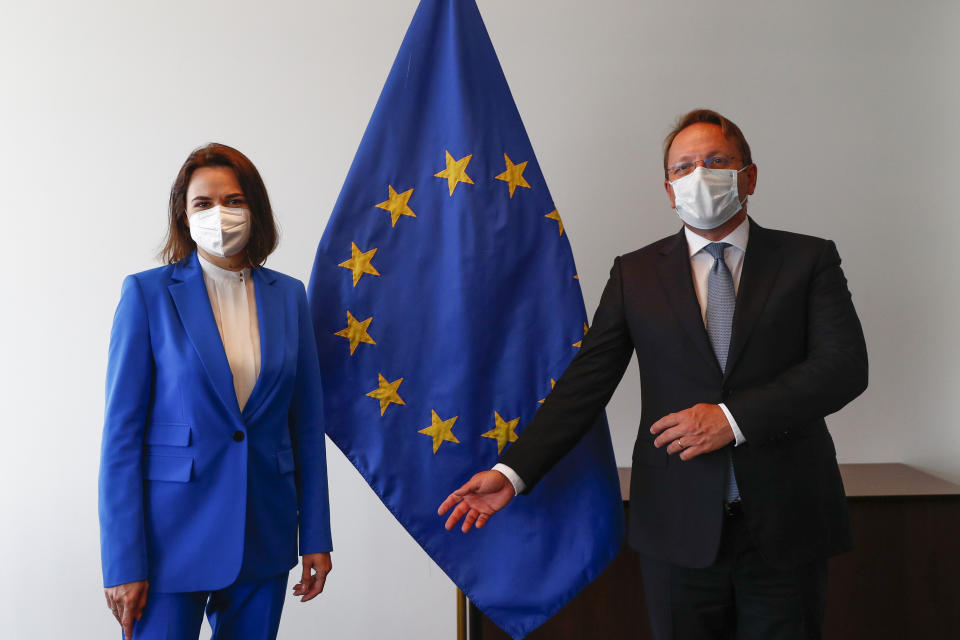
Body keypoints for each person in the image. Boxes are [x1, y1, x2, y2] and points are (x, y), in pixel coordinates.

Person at [439, 109, 868, 639]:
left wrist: (732, 419)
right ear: (669, 189)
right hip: (676, 528)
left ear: (749, 176)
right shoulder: (635, 273)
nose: (700, 175)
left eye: (717, 161)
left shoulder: (808, 260)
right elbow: (586, 382)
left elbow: (843, 369)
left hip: (787, 525)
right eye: (684, 167)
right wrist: (512, 472)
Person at [99, 144, 333, 640]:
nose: (219, 214)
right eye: (203, 203)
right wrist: (122, 559)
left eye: (233, 199)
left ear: (255, 210)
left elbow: (307, 428)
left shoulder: (289, 296)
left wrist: (315, 535)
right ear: (184, 217)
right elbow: (120, 438)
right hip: (168, 540)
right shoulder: (146, 295)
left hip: (264, 530)